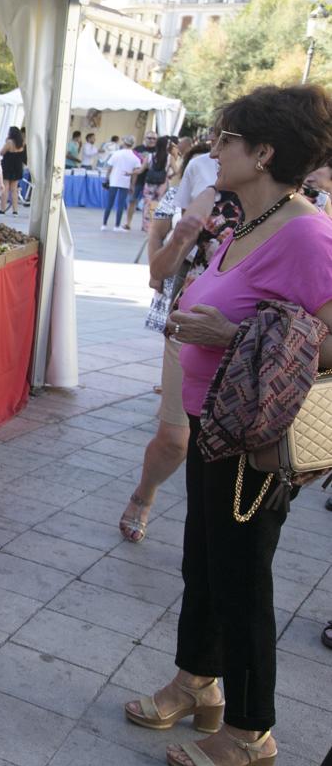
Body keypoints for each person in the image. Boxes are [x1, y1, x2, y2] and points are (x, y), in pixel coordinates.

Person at [125, 84, 332, 766]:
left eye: (228, 139)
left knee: (243, 580)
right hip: (215, 422)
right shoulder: (248, 218)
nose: (213, 149)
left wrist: (233, 332)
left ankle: (252, 730)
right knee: (205, 566)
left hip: (255, 439)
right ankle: (197, 683)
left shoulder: (307, 231)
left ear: (265, 152)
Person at [119, 183, 240, 542]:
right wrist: (177, 240)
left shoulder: (307, 213)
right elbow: (160, 259)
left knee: (232, 454)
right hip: (189, 332)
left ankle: (214, 537)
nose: (216, 152)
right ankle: (144, 494)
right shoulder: (213, 196)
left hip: (254, 350)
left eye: (228, 141)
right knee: (174, 439)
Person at [102, 134, 140, 230]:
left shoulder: (116, 154)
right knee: (121, 204)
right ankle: (117, 225)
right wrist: (132, 185)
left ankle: (104, 224)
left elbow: (109, 168)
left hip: (114, 180)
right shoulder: (134, 157)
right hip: (125, 182)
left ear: (124, 142)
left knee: (109, 203)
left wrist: (106, 179)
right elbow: (135, 173)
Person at [125, 130, 158, 230]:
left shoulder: (159, 151)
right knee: (132, 201)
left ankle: (148, 226)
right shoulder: (138, 149)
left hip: (152, 180)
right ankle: (128, 223)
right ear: (145, 138)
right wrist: (131, 182)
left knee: (151, 204)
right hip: (138, 179)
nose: (152, 140)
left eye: (154, 138)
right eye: (149, 138)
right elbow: (131, 164)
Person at [141, 136, 173, 229]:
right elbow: (177, 170)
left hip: (150, 183)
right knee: (157, 204)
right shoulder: (169, 157)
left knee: (147, 203)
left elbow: (142, 169)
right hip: (162, 184)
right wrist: (169, 175)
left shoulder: (150, 156)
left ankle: (146, 225)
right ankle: (153, 225)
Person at [0, 128, 27, 216]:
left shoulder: (9, 142)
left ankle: (2, 209)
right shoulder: (22, 143)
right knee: (14, 190)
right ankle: (15, 210)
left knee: (5, 188)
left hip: (8, 166)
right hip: (17, 167)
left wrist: (6, 141)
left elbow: (2, 152)